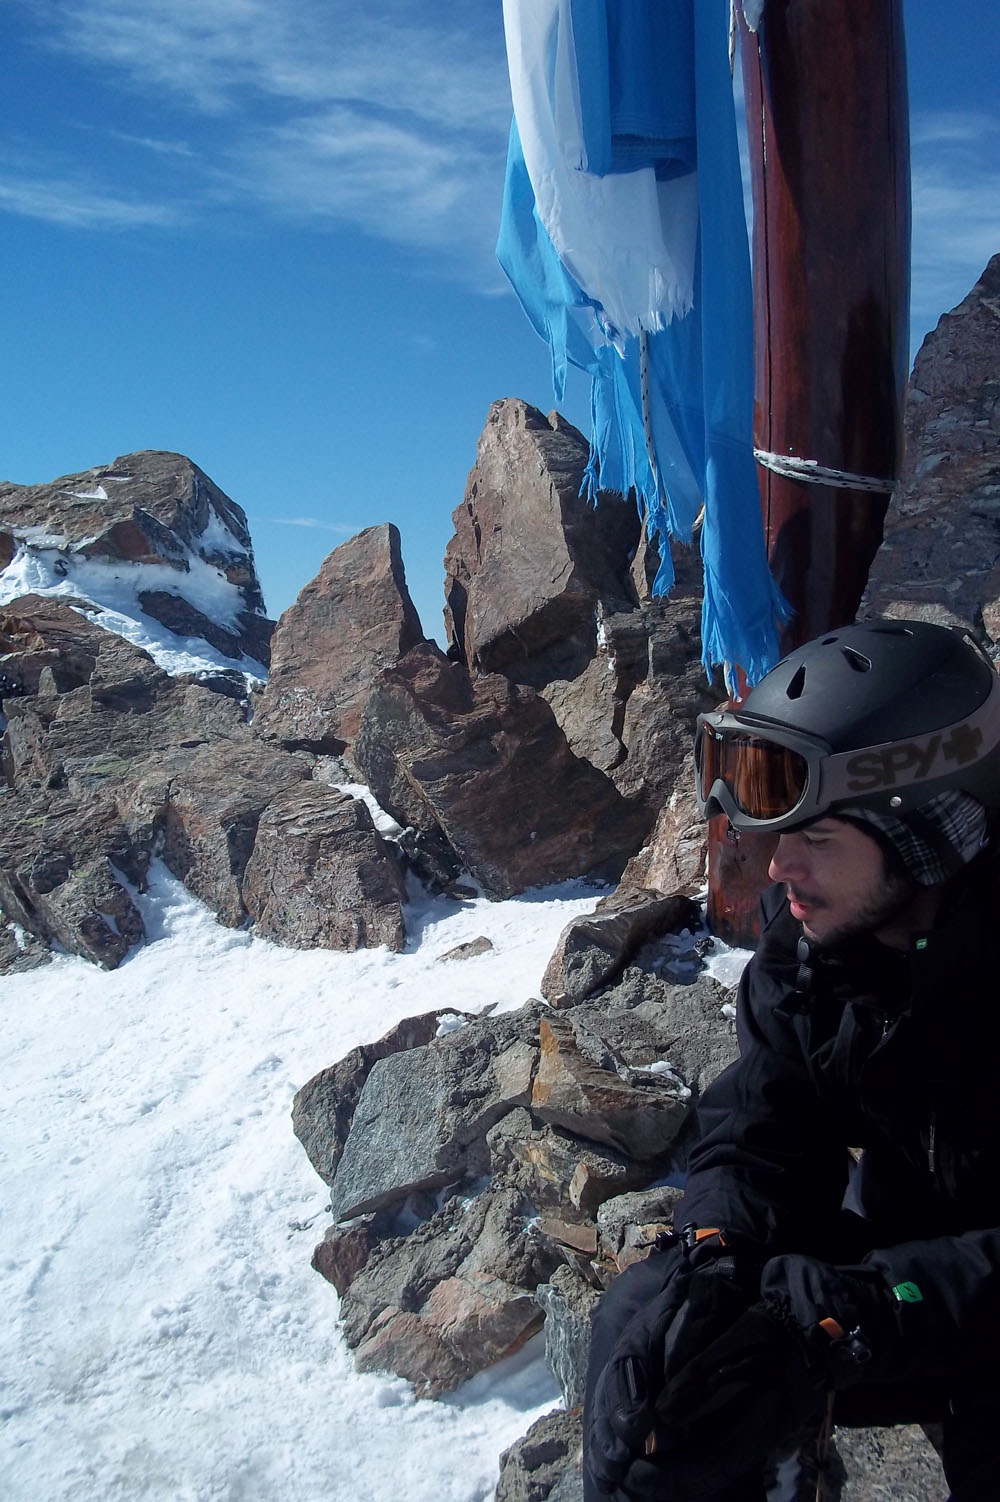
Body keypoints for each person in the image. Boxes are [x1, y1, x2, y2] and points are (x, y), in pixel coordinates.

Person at [584, 618, 1000, 1502]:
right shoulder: (821, 951)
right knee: (656, 1332)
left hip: (956, 1306)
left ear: (929, 831)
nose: (777, 870)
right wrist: (718, 1253)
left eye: (815, 837)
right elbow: (763, 1124)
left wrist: (858, 1315)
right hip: (913, 1287)